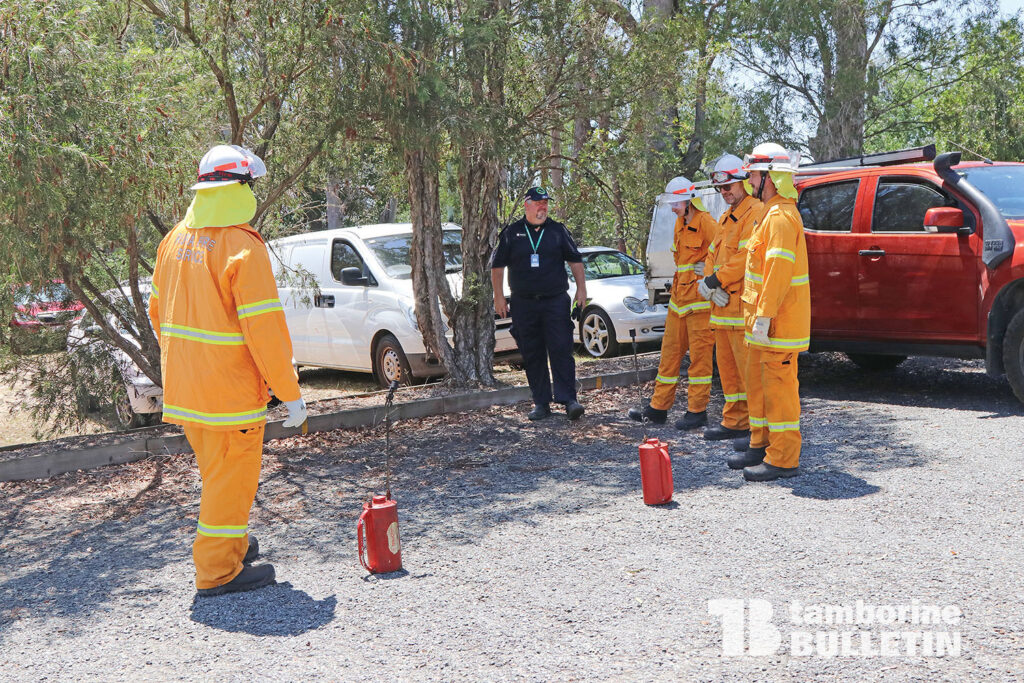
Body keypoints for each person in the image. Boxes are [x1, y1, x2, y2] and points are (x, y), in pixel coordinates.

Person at [149, 144, 308, 596]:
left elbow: (157, 312)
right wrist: (289, 392)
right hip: (230, 394)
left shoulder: (174, 240)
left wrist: (188, 366)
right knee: (230, 481)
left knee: (218, 475)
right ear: (239, 187)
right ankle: (217, 570)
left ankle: (231, 542)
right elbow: (265, 331)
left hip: (188, 390)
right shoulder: (242, 247)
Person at [733, 143, 811, 481]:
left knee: (779, 390)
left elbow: (778, 273)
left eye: (753, 174)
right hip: (762, 324)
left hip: (777, 324)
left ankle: (783, 457)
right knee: (759, 386)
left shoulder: (780, 217)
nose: (749, 180)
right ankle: (760, 444)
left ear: (770, 177)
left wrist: (764, 317)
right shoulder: (769, 214)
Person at [627, 177, 717, 429]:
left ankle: (697, 411)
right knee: (668, 357)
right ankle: (658, 408)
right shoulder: (680, 223)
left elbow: (726, 253)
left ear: (689, 200)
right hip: (679, 302)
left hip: (700, 305)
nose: (672, 207)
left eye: (675, 202)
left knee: (700, 360)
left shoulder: (707, 223)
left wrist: (709, 267)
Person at [491, 187, 587, 421]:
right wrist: (498, 296)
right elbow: (497, 266)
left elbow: (575, 260)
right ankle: (541, 403)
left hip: (555, 301)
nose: (542, 207)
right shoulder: (512, 233)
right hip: (524, 303)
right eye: (537, 203)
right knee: (532, 352)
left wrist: (582, 289)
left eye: (545, 203)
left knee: (561, 349)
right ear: (527, 205)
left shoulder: (557, 231)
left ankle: (569, 400)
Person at [697, 155, 763, 451]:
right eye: (721, 190)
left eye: (730, 187)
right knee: (728, 373)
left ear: (744, 182)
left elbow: (746, 258)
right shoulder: (726, 218)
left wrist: (716, 280)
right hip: (722, 311)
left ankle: (757, 428)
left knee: (750, 375)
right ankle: (734, 420)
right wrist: (709, 284)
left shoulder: (756, 211)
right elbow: (712, 254)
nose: (726, 194)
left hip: (741, 311)